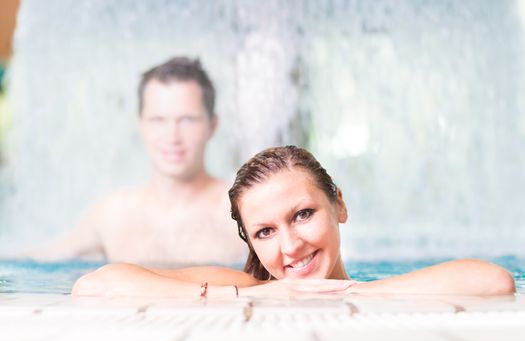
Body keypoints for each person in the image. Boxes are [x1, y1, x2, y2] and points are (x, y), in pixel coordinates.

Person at [72, 146, 516, 297]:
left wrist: (346, 295)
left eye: (303, 215)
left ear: (339, 205)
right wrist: (265, 299)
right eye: (265, 232)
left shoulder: (372, 286)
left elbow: (494, 282)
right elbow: (95, 286)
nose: (290, 247)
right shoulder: (248, 289)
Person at [29, 57, 246, 266]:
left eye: (187, 120)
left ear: (213, 125)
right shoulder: (112, 214)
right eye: (158, 120)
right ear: (140, 124)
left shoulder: (243, 211)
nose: (172, 137)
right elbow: (32, 263)